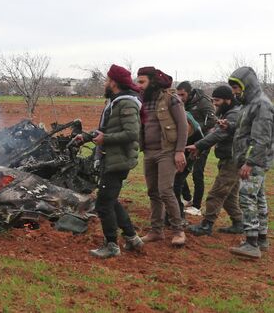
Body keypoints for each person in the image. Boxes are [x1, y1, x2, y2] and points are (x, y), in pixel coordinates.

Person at [77, 65, 144, 258]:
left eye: (107, 80)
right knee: (111, 200)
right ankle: (132, 238)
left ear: (113, 82)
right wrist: (88, 137)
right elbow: (108, 129)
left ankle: (112, 245)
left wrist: (105, 139)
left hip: (118, 159)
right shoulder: (115, 102)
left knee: (103, 204)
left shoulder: (127, 104)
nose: (105, 83)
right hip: (112, 157)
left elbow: (132, 133)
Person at [135, 67, 187, 246]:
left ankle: (178, 231)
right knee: (153, 192)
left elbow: (183, 126)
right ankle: (156, 231)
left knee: (165, 190)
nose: (139, 85)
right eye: (138, 81)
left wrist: (179, 151)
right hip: (149, 152)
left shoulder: (171, 99)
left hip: (167, 151)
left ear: (153, 82)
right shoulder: (142, 100)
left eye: (142, 82)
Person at [226, 67, 272, 259]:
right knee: (259, 198)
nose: (234, 91)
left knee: (247, 199)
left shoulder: (261, 105)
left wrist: (250, 162)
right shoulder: (251, 104)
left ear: (248, 85)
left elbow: (261, 138)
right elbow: (245, 130)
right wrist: (229, 126)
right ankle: (261, 238)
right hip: (255, 161)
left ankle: (251, 243)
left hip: (253, 162)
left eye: (237, 87)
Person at [186, 85, 243, 236]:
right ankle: (239, 223)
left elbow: (219, 135)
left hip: (233, 160)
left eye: (217, 100)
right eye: (213, 100)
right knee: (229, 195)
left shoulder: (234, 114)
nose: (214, 103)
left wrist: (198, 145)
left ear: (228, 99)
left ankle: (206, 225)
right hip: (229, 158)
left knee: (217, 193)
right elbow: (216, 133)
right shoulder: (228, 112)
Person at [175, 81, 217, 214]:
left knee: (197, 173)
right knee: (180, 169)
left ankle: (197, 207)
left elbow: (212, 121)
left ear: (189, 92)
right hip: (187, 142)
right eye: (178, 95)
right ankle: (187, 198)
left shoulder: (203, 102)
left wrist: (194, 127)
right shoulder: (181, 103)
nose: (180, 97)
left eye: (182, 94)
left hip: (202, 142)